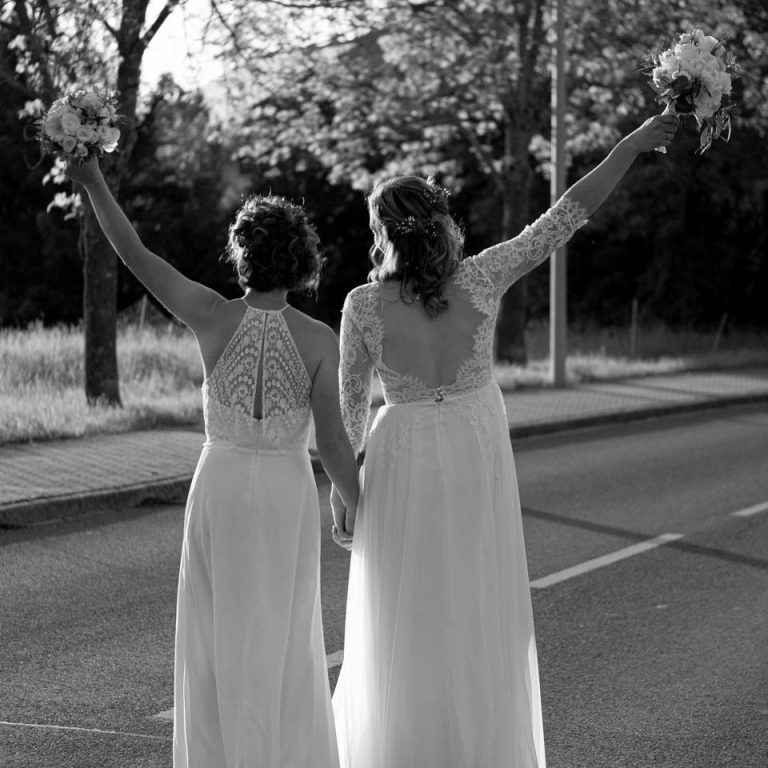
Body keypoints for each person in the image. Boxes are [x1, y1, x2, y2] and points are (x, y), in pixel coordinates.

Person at [330, 113, 679, 768]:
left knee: (403, 608)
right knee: (472, 601)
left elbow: (350, 410)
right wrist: (630, 145)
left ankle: (403, 748)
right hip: (471, 448)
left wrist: (344, 494)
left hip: (400, 455)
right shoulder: (482, 276)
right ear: (440, 223)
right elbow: (565, 215)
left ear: (382, 234)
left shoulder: (362, 305)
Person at [64, 157, 359, 768]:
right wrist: (357, 505)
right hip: (284, 491)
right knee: (280, 632)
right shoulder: (318, 339)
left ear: (243, 253)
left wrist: (93, 182)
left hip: (219, 484)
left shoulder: (210, 314)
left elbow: (135, 254)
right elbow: (332, 442)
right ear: (301, 259)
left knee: (212, 631)